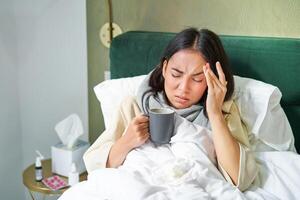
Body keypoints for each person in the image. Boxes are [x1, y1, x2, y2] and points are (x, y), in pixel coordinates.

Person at [83, 28, 258, 191]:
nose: (183, 88)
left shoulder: (223, 113)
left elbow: (239, 179)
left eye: (197, 79)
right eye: (176, 74)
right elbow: (94, 166)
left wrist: (214, 114)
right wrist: (126, 142)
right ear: (165, 68)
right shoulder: (133, 106)